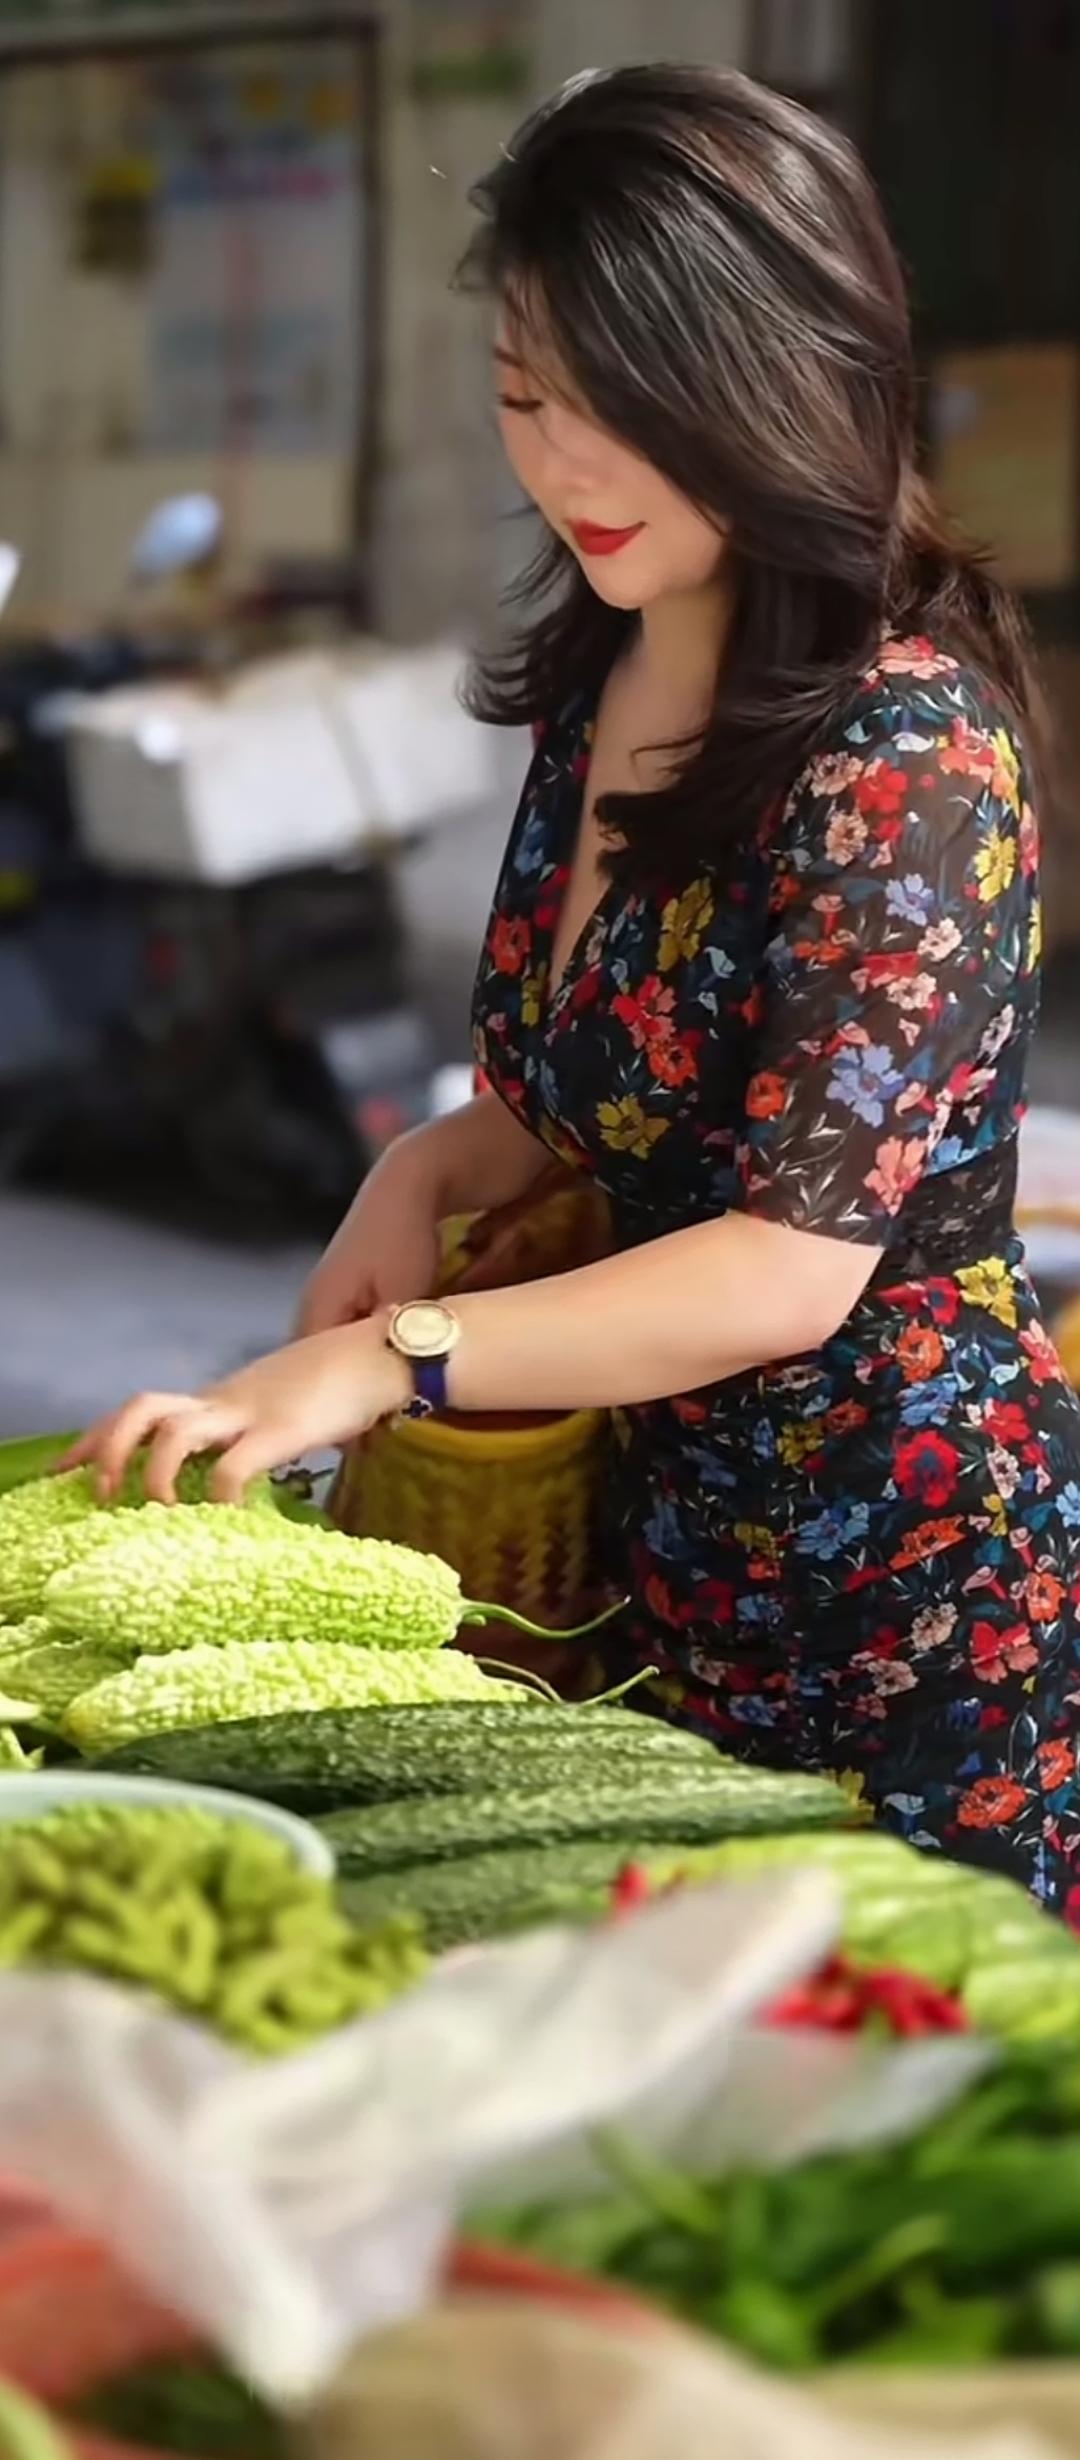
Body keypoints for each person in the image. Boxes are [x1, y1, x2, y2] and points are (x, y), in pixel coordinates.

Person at [65, 63, 1080, 1911]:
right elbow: (572, 1090)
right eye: (530, 398)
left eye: (630, 408)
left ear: (787, 384)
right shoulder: (598, 682)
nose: (565, 466)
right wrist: (422, 1175)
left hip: (900, 1585)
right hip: (644, 1533)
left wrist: (386, 1360)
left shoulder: (905, 763)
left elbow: (786, 1262)